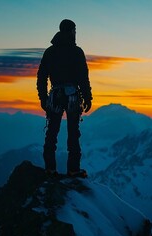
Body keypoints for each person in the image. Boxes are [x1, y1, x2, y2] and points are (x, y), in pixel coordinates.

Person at [37, 19, 92, 178]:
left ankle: (50, 169)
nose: (76, 33)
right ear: (71, 31)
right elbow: (83, 77)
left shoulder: (50, 52)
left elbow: (42, 77)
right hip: (73, 96)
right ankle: (73, 170)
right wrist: (87, 97)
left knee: (52, 133)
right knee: (73, 133)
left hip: (55, 96)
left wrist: (43, 98)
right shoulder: (77, 52)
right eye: (75, 30)